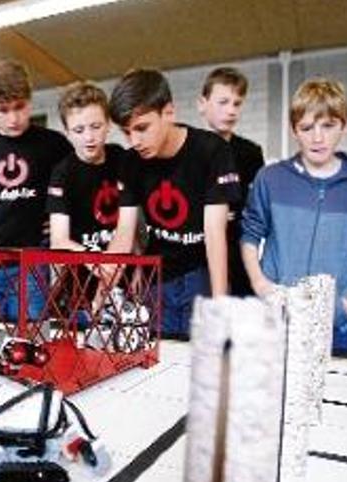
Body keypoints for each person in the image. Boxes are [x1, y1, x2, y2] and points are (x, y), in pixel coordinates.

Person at [241, 78, 347, 354]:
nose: (317, 137)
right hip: (276, 323)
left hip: (337, 328)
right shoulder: (271, 179)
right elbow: (250, 234)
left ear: (345, 125)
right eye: (307, 128)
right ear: (294, 130)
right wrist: (260, 284)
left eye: (328, 125)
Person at [107, 69, 240, 339]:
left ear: (168, 112)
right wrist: (101, 295)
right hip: (157, 278)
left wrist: (220, 305)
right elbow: (123, 234)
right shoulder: (130, 162)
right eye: (126, 132)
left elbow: (215, 235)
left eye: (142, 128)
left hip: (200, 273)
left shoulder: (212, 151)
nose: (134, 141)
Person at [0, 60, 72, 321]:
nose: (13, 118)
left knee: (31, 342)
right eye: (3, 110)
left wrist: (62, 224)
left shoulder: (54, 145)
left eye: (20, 107)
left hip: (33, 261)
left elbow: (74, 190)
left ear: (30, 100)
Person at [197, 67, 265, 296]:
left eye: (237, 104)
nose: (231, 110)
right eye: (223, 102)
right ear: (202, 104)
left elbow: (256, 204)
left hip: (239, 250)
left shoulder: (250, 153)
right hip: (198, 253)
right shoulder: (191, 149)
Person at [47, 81, 125, 253]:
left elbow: (133, 223)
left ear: (108, 124)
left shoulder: (120, 158)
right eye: (79, 130)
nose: (89, 137)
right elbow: (59, 240)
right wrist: (98, 262)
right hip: (80, 272)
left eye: (96, 127)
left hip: (123, 267)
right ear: (67, 133)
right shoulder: (62, 173)